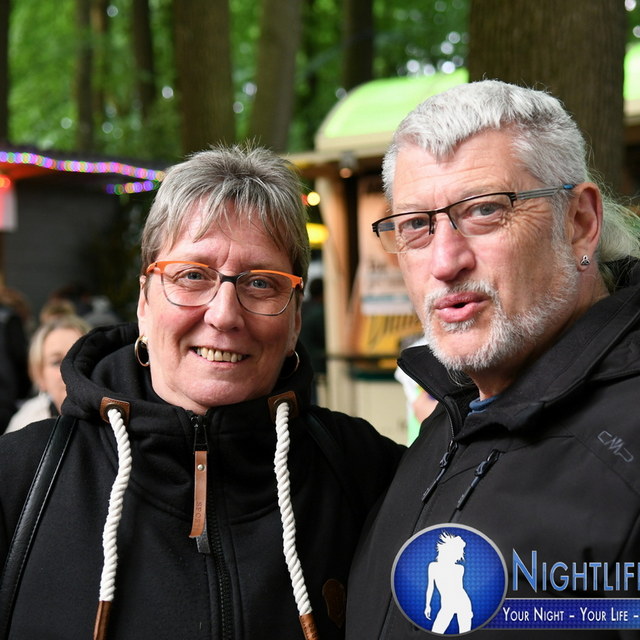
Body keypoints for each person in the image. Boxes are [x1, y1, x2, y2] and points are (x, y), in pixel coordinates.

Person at [0, 144, 402, 639]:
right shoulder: (20, 482)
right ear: (144, 301)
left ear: (296, 316)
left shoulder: (371, 475)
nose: (224, 315)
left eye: (261, 283)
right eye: (192, 275)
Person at [346, 80, 640, 639]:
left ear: (579, 222)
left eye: (484, 210)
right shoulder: (452, 416)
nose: (444, 261)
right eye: (416, 225)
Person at [5, 314, 90, 433]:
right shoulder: (25, 424)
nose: (68, 369)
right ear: (40, 376)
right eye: (56, 362)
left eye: (78, 356)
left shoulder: (114, 413)